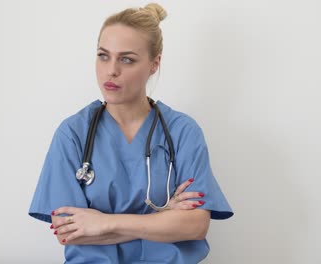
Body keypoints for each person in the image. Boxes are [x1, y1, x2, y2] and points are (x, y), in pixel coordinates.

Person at [29, 3, 233, 263]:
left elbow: (195, 226)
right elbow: (67, 232)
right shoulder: (73, 133)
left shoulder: (183, 132)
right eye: (104, 55)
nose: (111, 70)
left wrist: (102, 223)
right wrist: (163, 219)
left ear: (154, 64)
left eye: (127, 59)